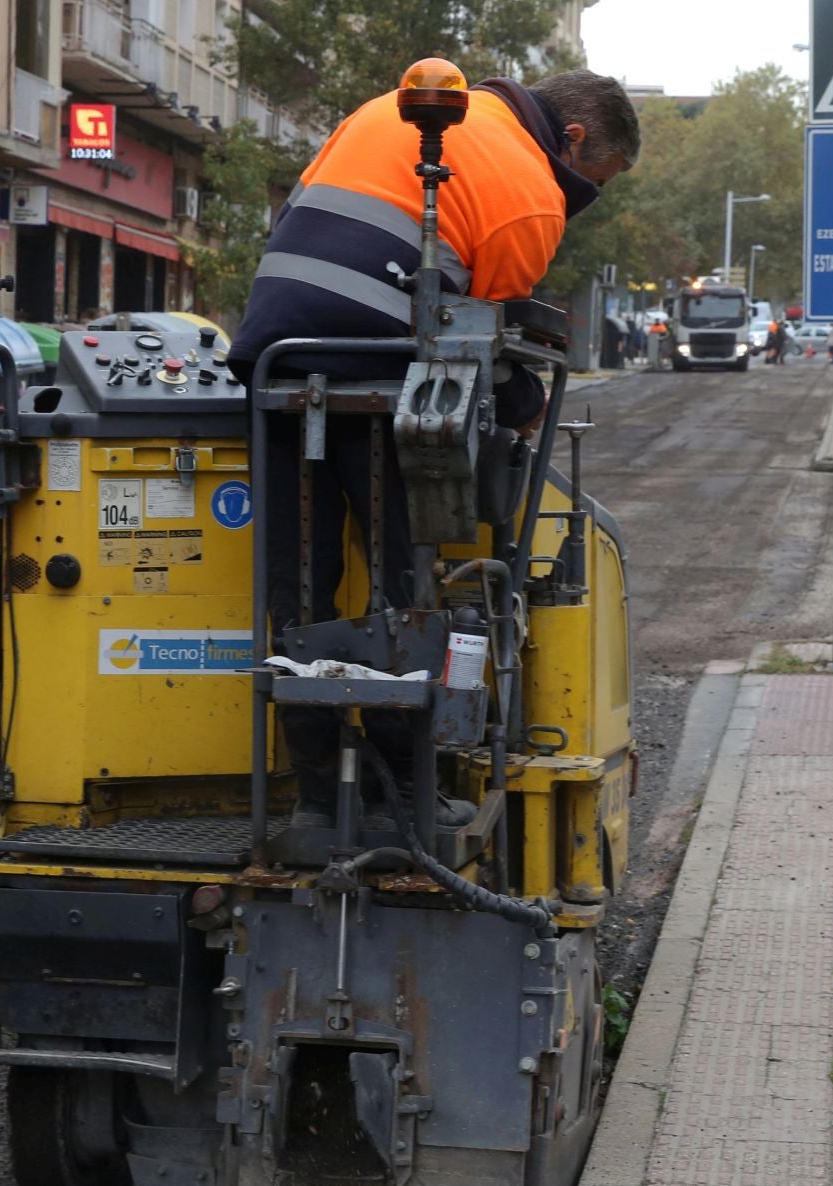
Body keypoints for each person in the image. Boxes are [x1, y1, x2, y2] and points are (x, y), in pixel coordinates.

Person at [228, 68, 641, 830]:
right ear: (573, 138)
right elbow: (486, 347)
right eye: (597, 179)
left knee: (298, 587)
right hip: (383, 375)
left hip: (274, 360)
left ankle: (315, 804)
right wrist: (524, 412)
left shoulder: (383, 106)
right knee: (406, 590)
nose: (587, 195)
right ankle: (408, 802)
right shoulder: (530, 191)